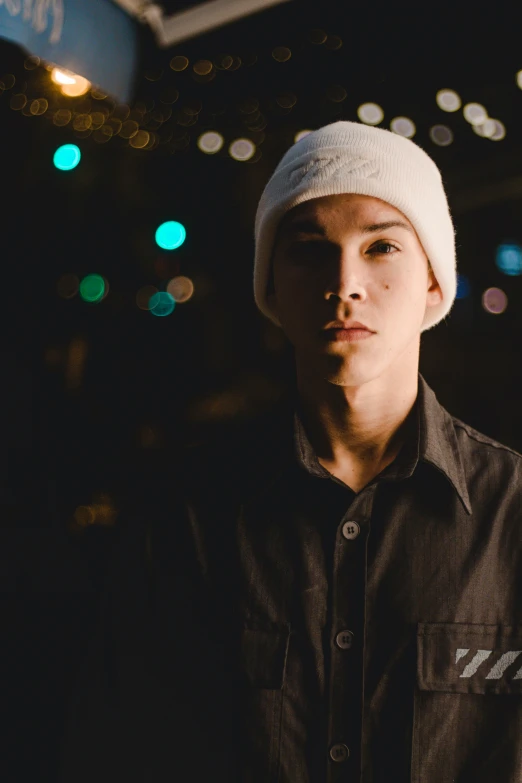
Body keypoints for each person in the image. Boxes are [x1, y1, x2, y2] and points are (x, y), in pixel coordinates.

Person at [59, 121, 522, 783]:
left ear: (432, 282)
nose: (345, 281)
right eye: (309, 249)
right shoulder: (187, 517)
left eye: (382, 245)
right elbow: (113, 747)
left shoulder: (511, 514)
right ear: (271, 286)